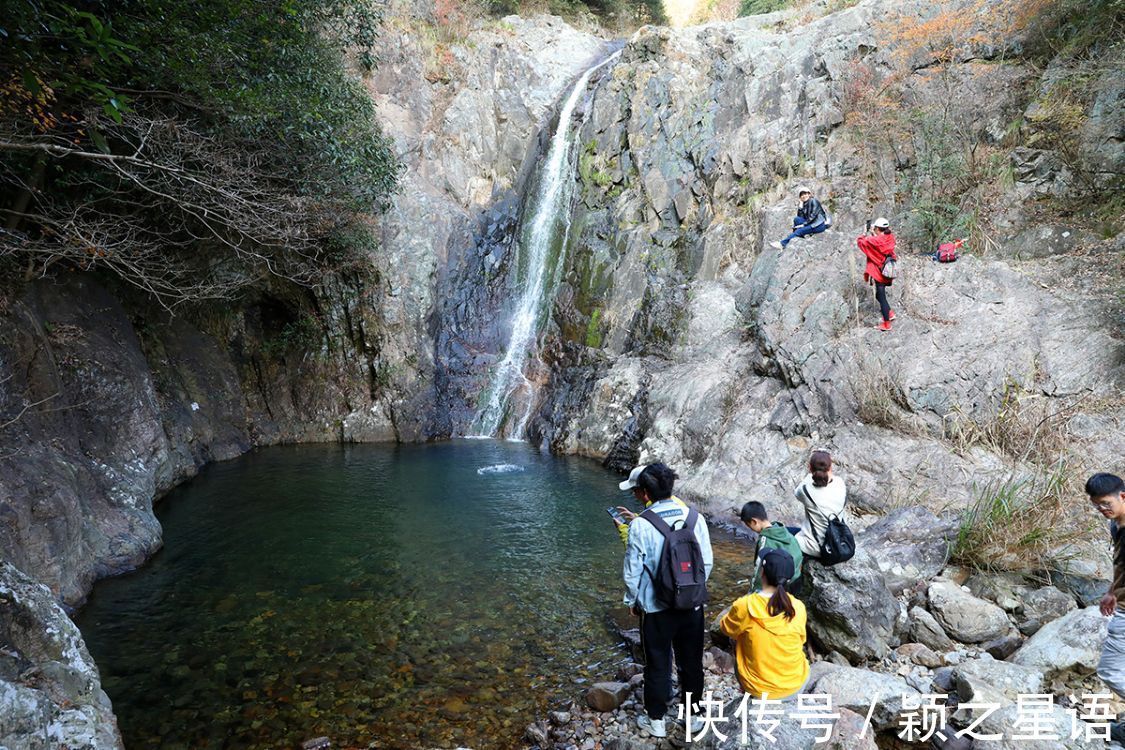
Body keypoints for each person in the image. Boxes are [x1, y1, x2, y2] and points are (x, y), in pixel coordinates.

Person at [621, 463, 713, 739]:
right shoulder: (696, 518)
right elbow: (706, 562)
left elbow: (632, 571)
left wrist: (632, 599)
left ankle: (657, 720)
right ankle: (694, 717)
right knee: (691, 661)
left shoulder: (640, 525)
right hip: (692, 606)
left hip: (656, 608)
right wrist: (690, 590)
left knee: (658, 663)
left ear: (646, 493)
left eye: (638, 491)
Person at [719, 548, 810, 700]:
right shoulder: (798, 606)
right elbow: (801, 640)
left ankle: (749, 691)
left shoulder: (745, 605)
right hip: (795, 685)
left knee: (737, 639)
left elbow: (725, 628)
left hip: (759, 690)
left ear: (762, 572)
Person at [1090, 472, 1125, 745]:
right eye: (1096, 505)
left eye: (1105, 503)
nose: (1102, 509)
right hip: (1121, 602)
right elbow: (1121, 564)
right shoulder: (1116, 525)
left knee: (1111, 671)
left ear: (1122, 496)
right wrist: (1111, 591)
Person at [612, 464, 688, 546]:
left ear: (645, 490)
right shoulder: (691, 515)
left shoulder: (643, 523)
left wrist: (623, 529)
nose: (633, 494)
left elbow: (636, 553)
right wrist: (637, 518)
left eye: (634, 490)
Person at [793, 450, 847, 559]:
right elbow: (831, 479)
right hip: (839, 542)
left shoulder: (805, 490)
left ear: (810, 468)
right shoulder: (840, 483)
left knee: (777, 537)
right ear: (830, 468)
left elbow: (796, 493)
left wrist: (811, 474)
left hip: (818, 548)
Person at [740, 501, 803, 594]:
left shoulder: (765, 541)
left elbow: (758, 570)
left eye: (749, 526)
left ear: (754, 522)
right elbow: (799, 558)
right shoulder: (787, 533)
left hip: (776, 588)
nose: (750, 529)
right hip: (794, 582)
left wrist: (752, 593)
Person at [857, 216, 897, 331]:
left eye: (875, 228)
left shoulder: (873, 241)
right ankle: (890, 313)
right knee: (879, 295)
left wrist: (864, 233)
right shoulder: (889, 237)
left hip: (879, 272)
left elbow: (861, 242)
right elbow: (880, 242)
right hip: (888, 269)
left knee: (881, 296)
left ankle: (887, 324)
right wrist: (874, 234)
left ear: (878, 229)